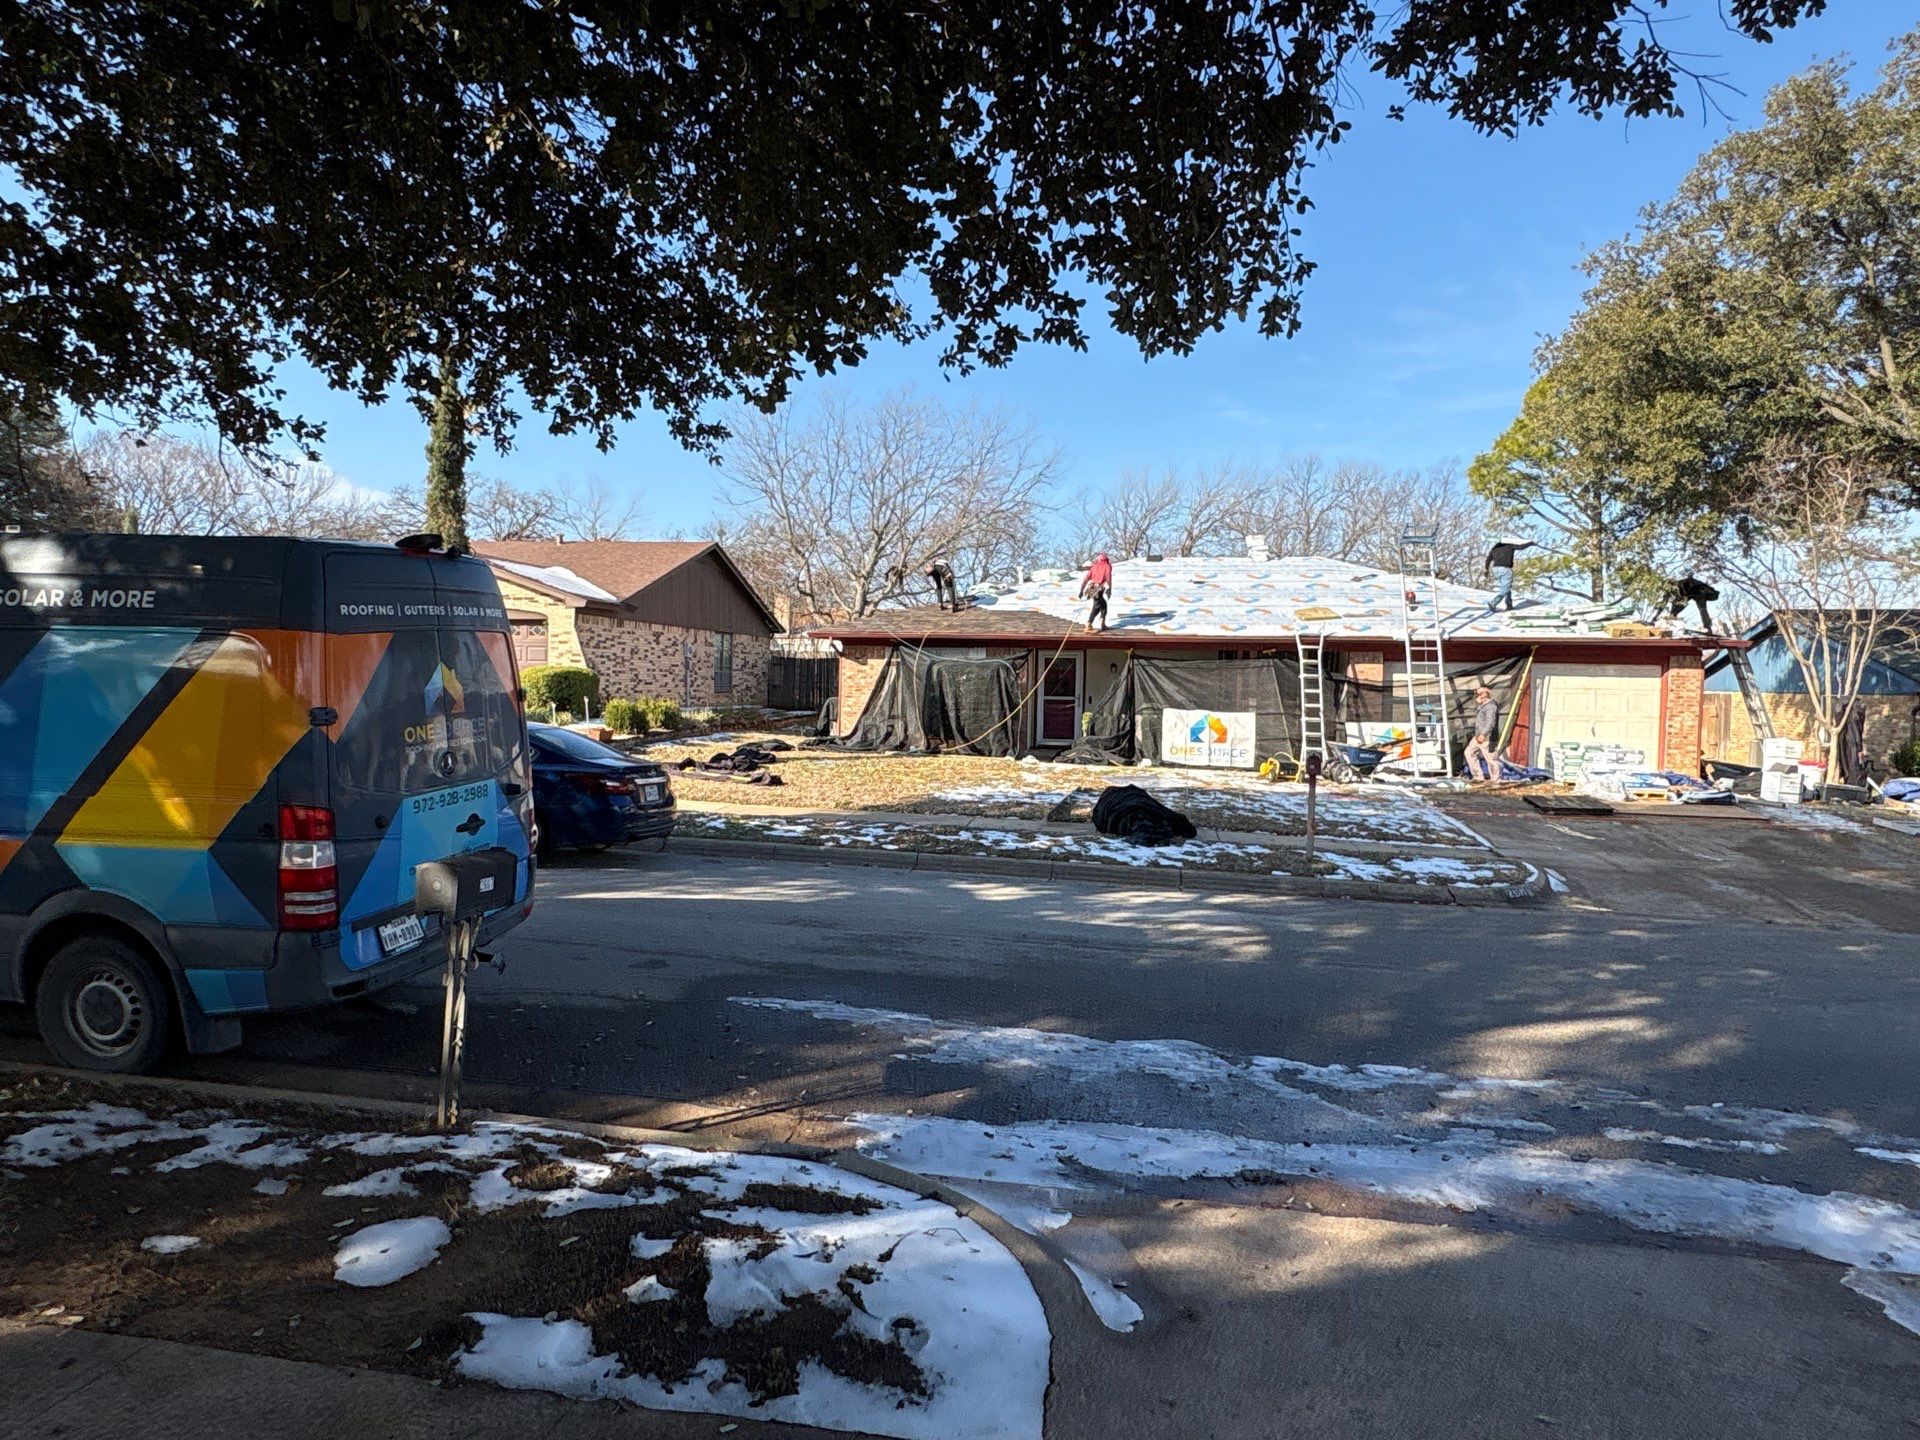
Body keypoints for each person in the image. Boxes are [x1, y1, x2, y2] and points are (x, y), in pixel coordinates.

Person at [1482, 537, 1537, 612]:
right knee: (1505, 589)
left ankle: (1509, 605)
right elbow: (1521, 547)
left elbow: (1488, 560)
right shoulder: (1509, 546)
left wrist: (1486, 570)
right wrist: (1530, 543)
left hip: (1496, 570)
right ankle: (1493, 603)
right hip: (1505, 570)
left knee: (1506, 587)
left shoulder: (1494, 549)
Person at [1463, 685, 1502, 781]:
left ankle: (1495, 781)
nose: (1478, 696)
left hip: (1487, 737)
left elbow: (1490, 721)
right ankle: (1478, 777)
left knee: (1491, 760)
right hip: (1478, 736)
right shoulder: (1484, 706)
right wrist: (1479, 705)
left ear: (1486, 693)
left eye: (1480, 693)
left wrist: (1483, 734)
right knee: (1469, 752)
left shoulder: (1491, 706)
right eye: (1477, 694)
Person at [1080, 551, 1113, 633]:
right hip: (1098, 589)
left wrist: (1081, 590)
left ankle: (1102, 623)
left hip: (1091, 588)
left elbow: (1086, 578)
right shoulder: (1107, 566)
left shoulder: (1094, 566)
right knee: (1097, 606)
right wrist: (1110, 588)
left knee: (1103, 604)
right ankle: (1088, 624)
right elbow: (1108, 576)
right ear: (1106, 559)